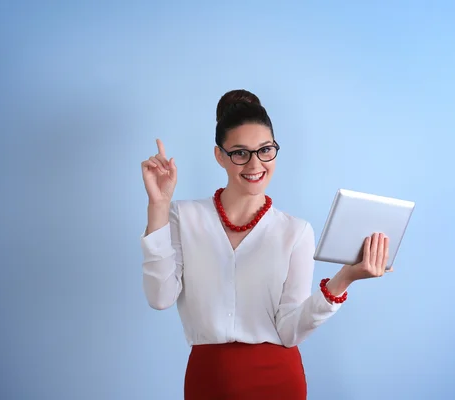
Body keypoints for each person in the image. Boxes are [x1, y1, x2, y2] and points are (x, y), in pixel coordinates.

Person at [140, 89, 391, 399]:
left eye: (265, 150)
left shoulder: (295, 232)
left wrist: (345, 278)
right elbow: (160, 297)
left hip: (278, 380)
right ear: (220, 155)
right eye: (240, 152)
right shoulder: (183, 216)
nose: (255, 163)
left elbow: (290, 330)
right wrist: (158, 206)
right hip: (209, 380)